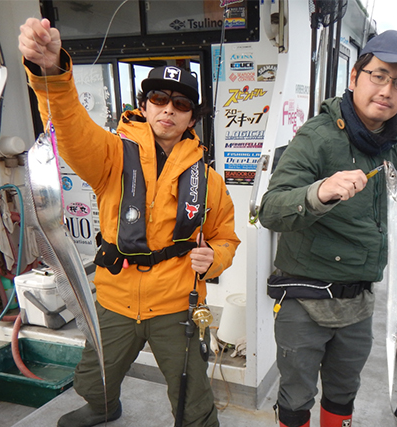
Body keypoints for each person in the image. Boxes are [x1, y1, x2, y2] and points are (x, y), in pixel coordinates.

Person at [18, 18, 240, 427]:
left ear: (192, 118)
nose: (169, 109)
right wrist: (51, 73)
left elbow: (227, 236)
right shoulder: (111, 156)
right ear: (145, 105)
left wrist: (215, 258)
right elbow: (69, 128)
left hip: (176, 302)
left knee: (192, 395)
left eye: (182, 104)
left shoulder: (208, 180)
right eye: (159, 98)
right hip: (115, 296)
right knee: (95, 371)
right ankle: (103, 407)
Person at [258, 30, 397, 427]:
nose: (387, 90)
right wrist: (320, 192)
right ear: (355, 77)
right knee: (296, 397)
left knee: (343, 392)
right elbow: (270, 210)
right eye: (379, 76)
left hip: (359, 306)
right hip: (305, 303)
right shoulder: (315, 137)